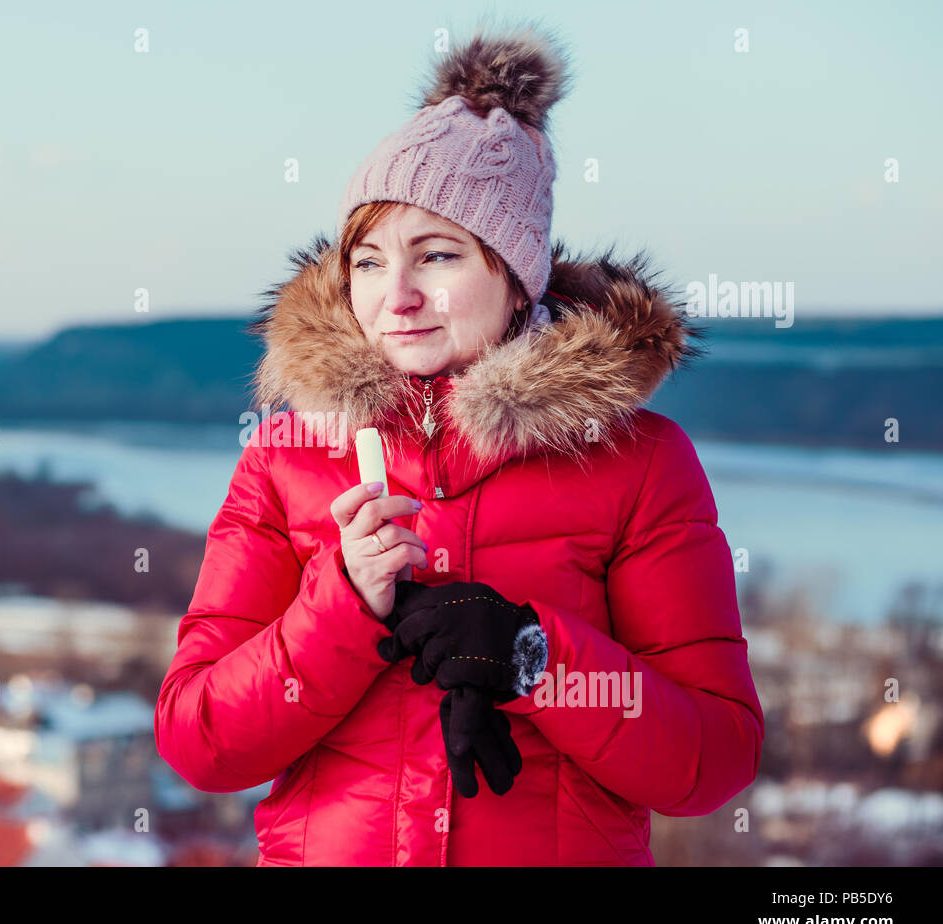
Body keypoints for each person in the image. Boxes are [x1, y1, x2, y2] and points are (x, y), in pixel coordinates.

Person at [156, 24, 764, 866]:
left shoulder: (637, 462)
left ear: (517, 279)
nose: (395, 296)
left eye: (435, 256)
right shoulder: (288, 455)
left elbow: (713, 759)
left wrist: (532, 655)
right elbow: (199, 741)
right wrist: (343, 604)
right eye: (366, 262)